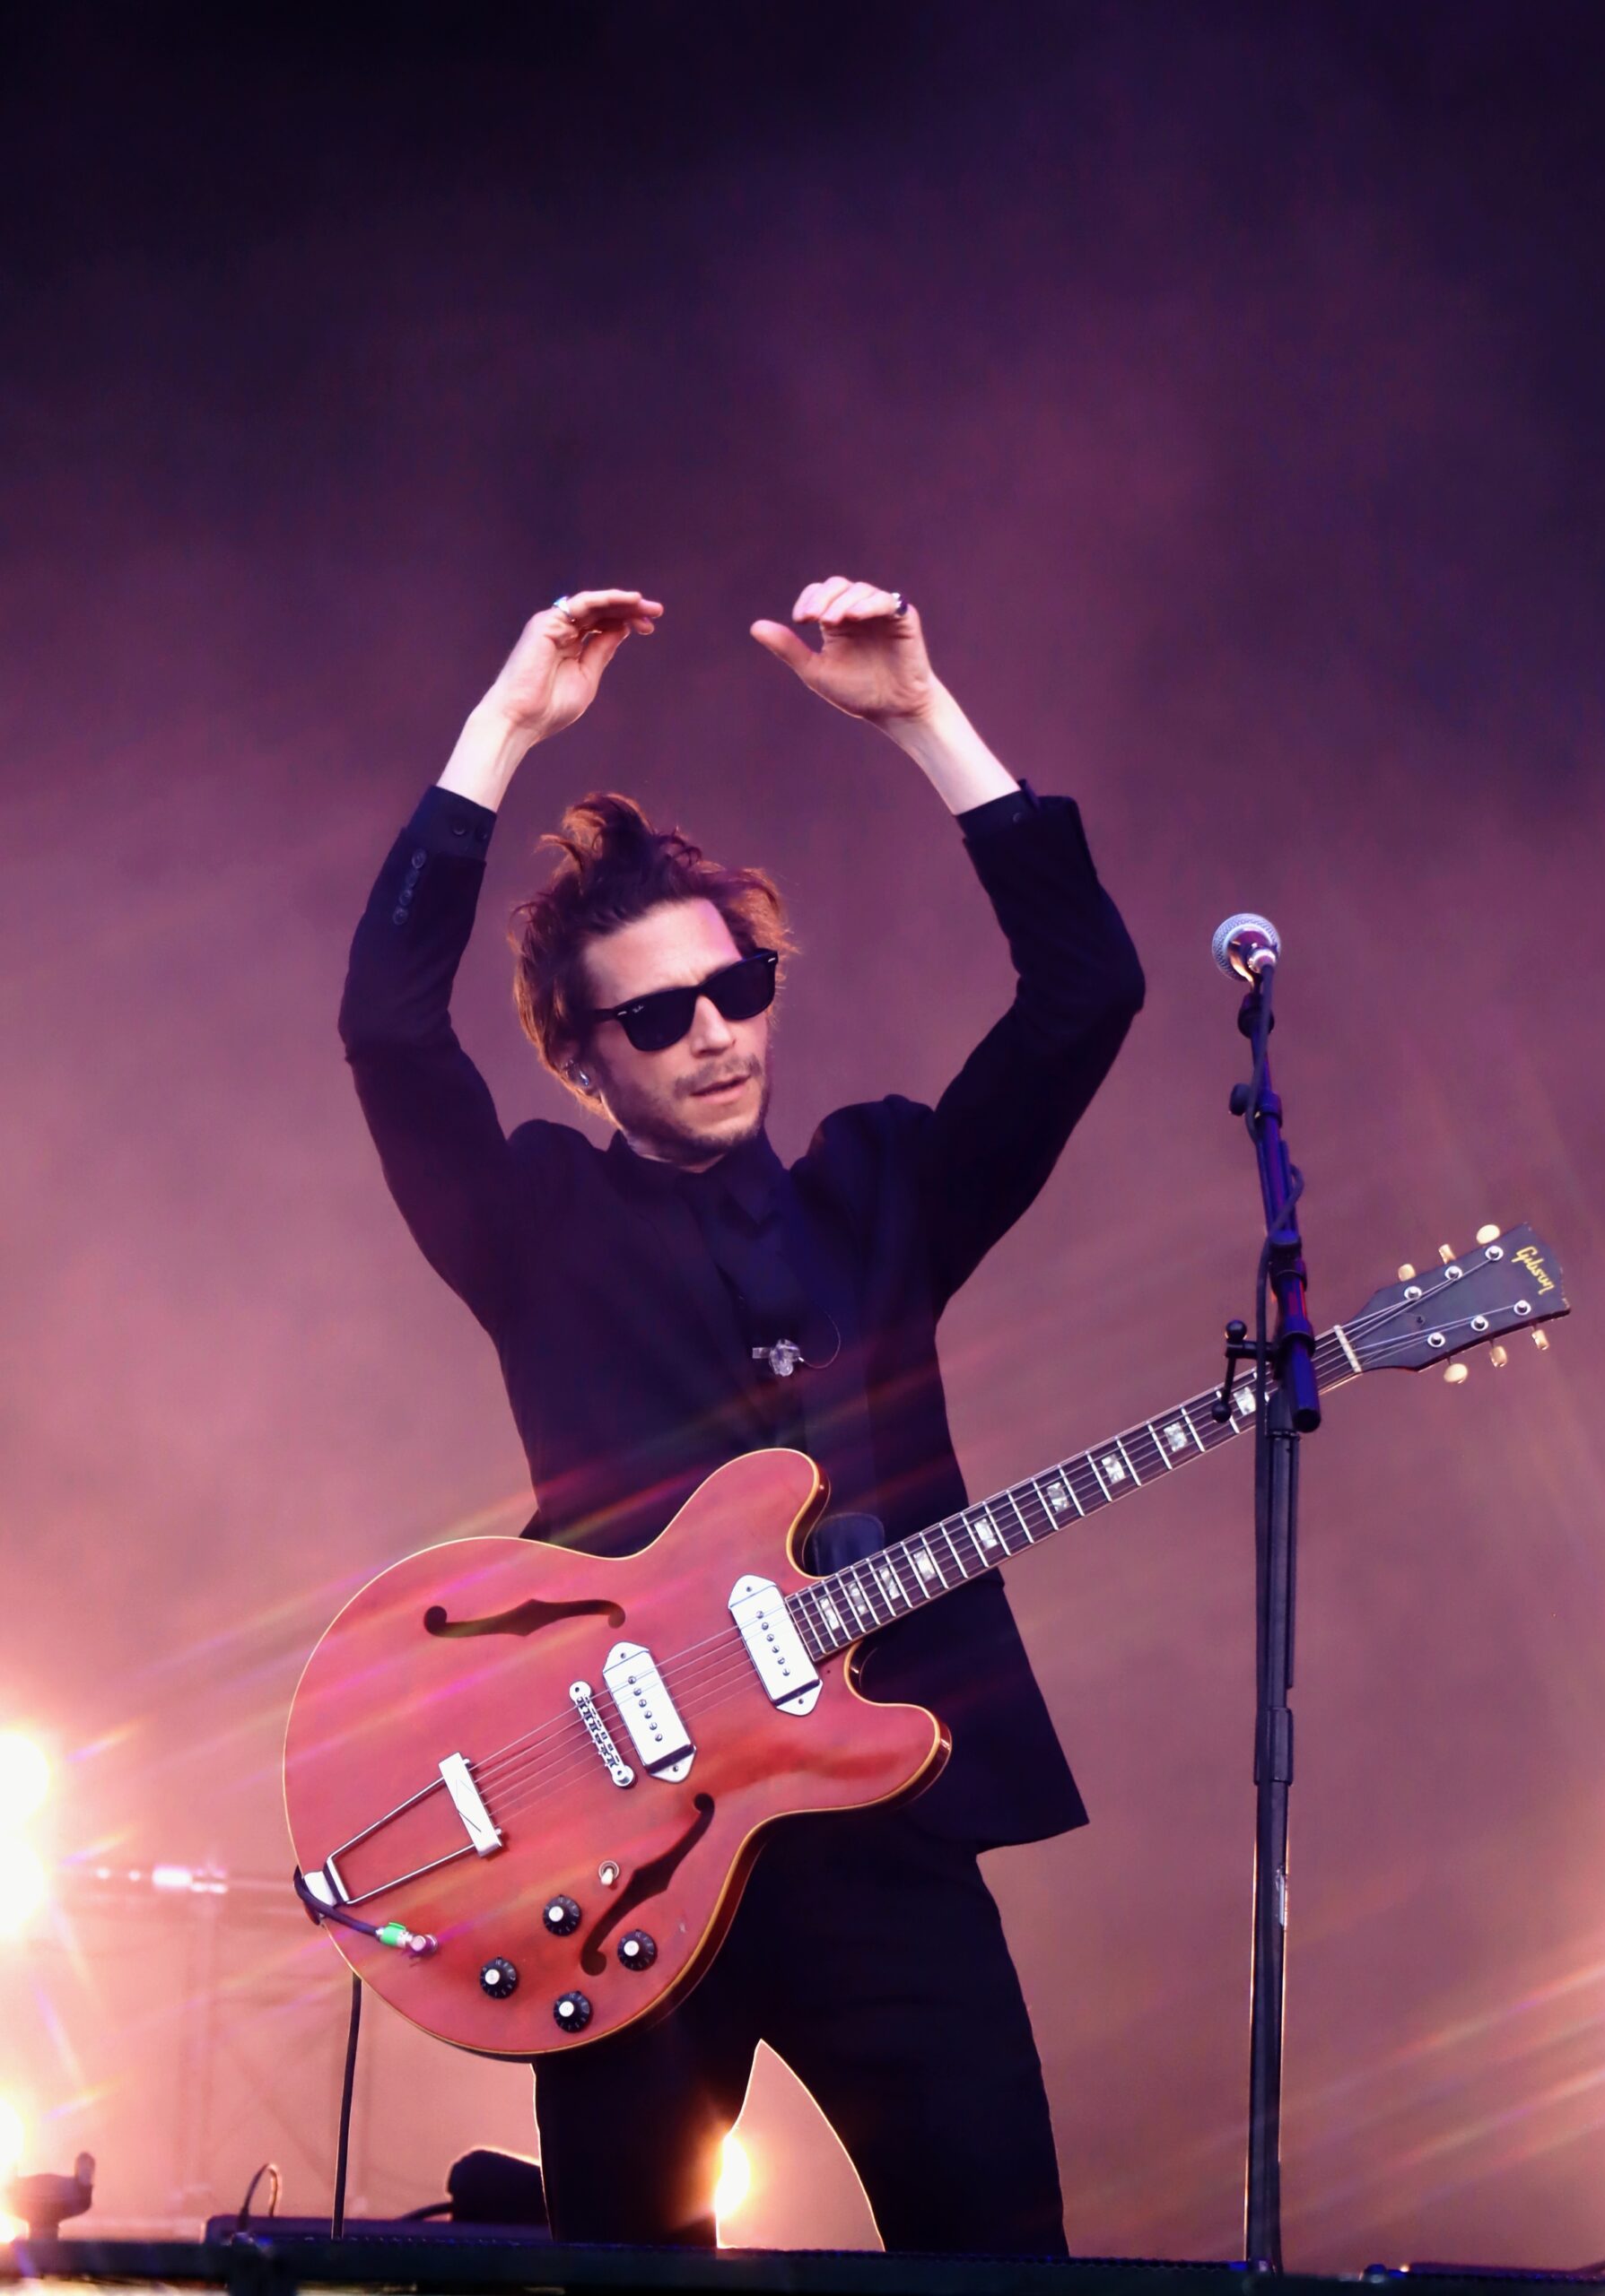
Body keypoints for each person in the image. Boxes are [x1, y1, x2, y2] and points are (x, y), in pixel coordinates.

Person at [338, 575, 1145, 2252]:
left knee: (1005, 2273)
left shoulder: (880, 1189)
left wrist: (922, 719)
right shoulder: (535, 1226)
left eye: (741, 988)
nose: (714, 1035)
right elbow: (387, 1029)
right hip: (616, 1858)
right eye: (657, 1016)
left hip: (879, 1824)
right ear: (583, 1060)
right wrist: (502, 730)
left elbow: (1086, 994)